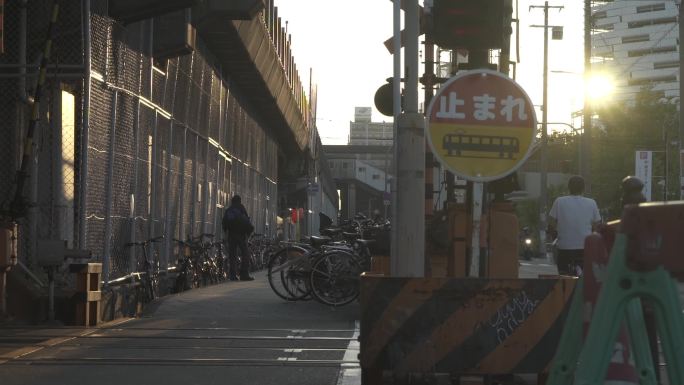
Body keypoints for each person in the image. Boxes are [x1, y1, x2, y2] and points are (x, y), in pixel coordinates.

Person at [547, 175, 601, 276]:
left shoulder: (559, 201)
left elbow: (551, 225)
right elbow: (597, 226)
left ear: (568, 187)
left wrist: (555, 236)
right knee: (588, 275)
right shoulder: (592, 203)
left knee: (564, 275)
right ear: (583, 188)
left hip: (564, 247)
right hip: (585, 247)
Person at [222, 195, 255, 281]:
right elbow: (247, 221)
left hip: (231, 235)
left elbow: (224, 223)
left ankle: (233, 275)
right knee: (245, 254)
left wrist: (226, 234)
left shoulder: (229, 210)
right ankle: (244, 274)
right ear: (240, 201)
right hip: (241, 235)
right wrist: (248, 233)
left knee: (232, 256)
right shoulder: (241, 208)